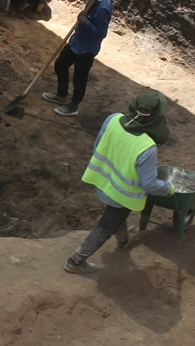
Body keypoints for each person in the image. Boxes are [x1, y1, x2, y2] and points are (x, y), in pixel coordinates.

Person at [64, 91, 176, 274]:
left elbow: (98, 145)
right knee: (105, 226)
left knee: (115, 217)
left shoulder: (113, 119)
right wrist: (168, 189)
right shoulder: (147, 147)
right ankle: (75, 261)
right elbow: (149, 184)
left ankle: (123, 241)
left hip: (103, 180)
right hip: (123, 194)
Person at [42, 0, 112, 116]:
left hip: (87, 49)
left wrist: (84, 22)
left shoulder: (103, 8)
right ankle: (61, 96)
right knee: (60, 64)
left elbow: (101, 33)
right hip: (77, 41)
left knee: (79, 78)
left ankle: (73, 106)